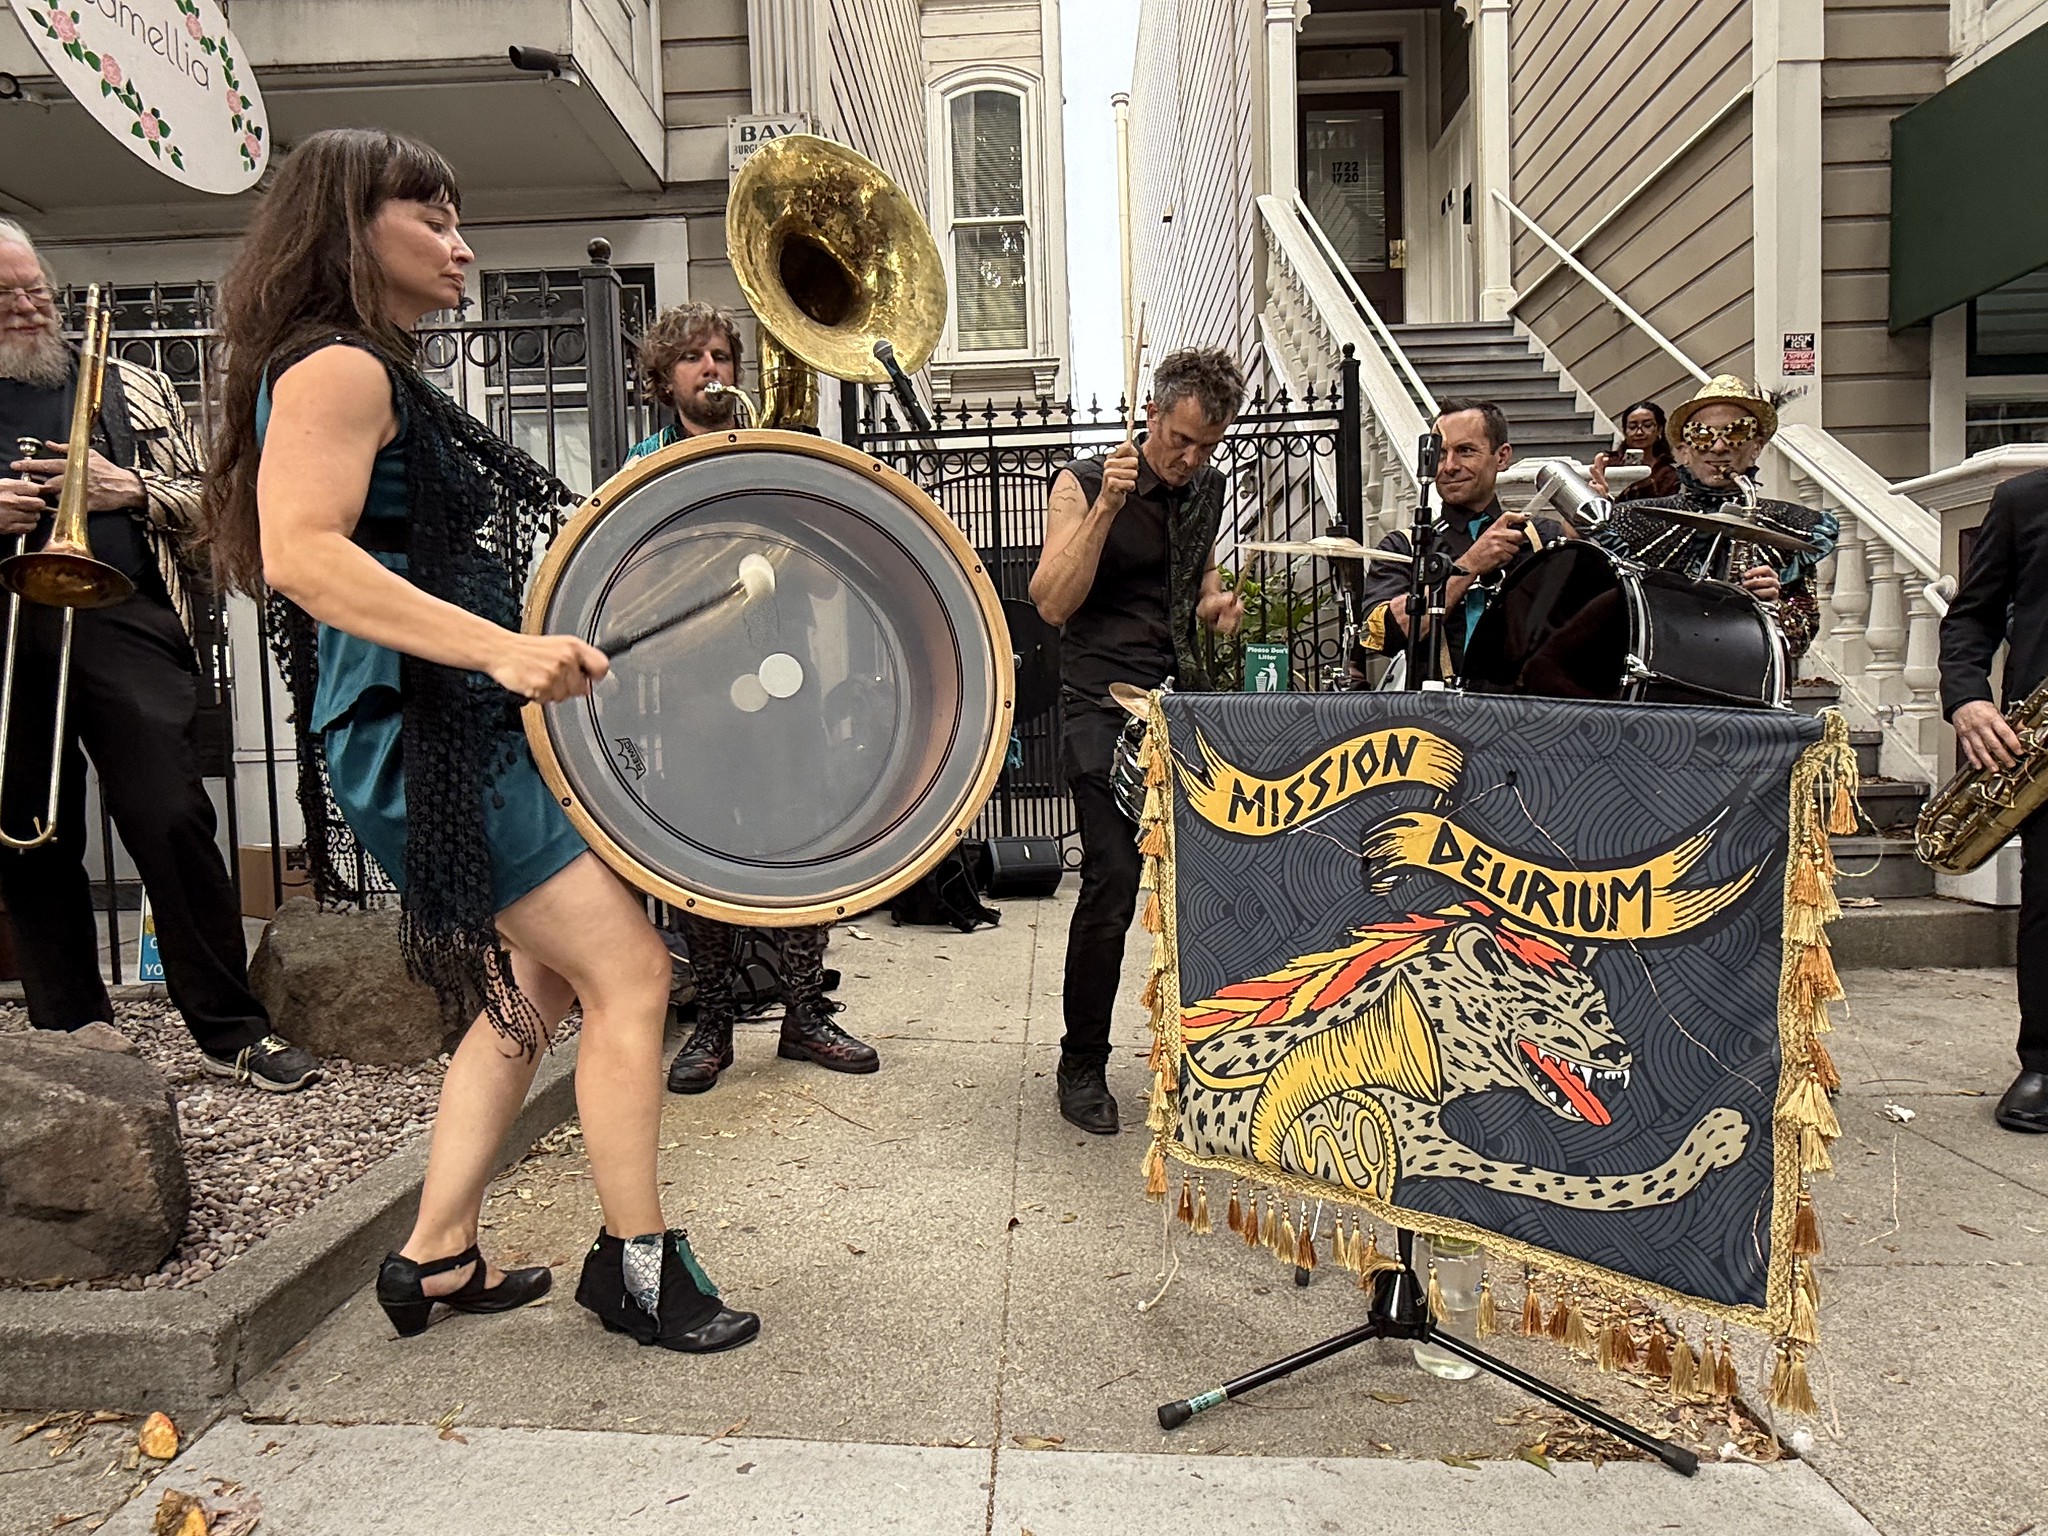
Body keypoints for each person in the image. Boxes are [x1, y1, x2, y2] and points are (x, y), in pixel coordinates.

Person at [201, 129, 756, 1352]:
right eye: (433, 219)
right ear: (353, 229)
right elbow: (302, 555)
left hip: (447, 727)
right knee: (632, 976)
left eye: (460, 219)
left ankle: (432, 1256)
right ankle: (638, 1269)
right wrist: (501, 652)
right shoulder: (337, 368)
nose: (462, 244)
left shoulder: (359, 368)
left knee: (534, 985)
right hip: (428, 735)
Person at [0, 220, 319, 1088]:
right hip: (5, 631)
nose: (29, 309)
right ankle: (73, 1036)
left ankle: (232, 1031)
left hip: (123, 616)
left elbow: (213, 505)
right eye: (8, 298)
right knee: (29, 835)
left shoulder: (129, 386)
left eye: (36, 289)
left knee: (171, 817)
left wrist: (129, 487)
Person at [624, 302, 878, 1094]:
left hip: (784, 682)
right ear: (664, 379)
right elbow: (629, 580)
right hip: (693, 693)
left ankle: (805, 1013)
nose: (713, 370)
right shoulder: (643, 464)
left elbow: (834, 585)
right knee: (704, 854)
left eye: (723, 356)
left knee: (802, 844)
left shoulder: (775, 452)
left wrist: (794, 520)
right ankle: (713, 1025)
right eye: (694, 357)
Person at [1031, 347, 1246, 1134]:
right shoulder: (1085, 483)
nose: (1190, 459)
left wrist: (1214, 605)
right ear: (1151, 413)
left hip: (1175, 705)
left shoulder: (1206, 492)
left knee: (1197, 891)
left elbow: (1195, 585)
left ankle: (1196, 1054)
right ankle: (1081, 1061)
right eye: (1180, 439)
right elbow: (1052, 602)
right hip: (1098, 704)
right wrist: (1105, 513)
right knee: (1114, 880)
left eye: (1207, 447)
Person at [1937, 465, 2048, 1133]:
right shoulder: (2025, 500)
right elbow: (1970, 619)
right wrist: (1970, 699)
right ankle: (2043, 1063)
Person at [1595, 376, 1836, 660]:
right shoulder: (1636, 517)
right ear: (1684, 452)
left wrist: (1775, 604)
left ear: (1756, 447)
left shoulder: (1795, 527)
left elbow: (1800, 641)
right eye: (1702, 435)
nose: (1719, 447)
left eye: (1735, 434)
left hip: (1748, 674)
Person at [1355, 400, 1577, 681]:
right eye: (1441, 453)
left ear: (1502, 456)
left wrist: (1596, 539)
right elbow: (1382, 636)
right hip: (1436, 717)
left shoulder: (1543, 539)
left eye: (1465, 451)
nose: (1449, 466)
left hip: (1528, 714)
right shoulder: (1404, 547)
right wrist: (1470, 565)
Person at [1589, 399, 1679, 502]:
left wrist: (1646, 485)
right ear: (1625, 431)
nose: (1639, 432)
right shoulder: (1609, 464)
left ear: (1659, 430)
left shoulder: (1667, 473)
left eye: (1647, 425)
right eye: (1632, 427)